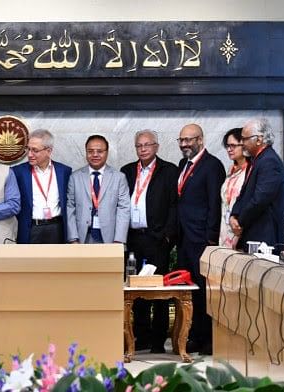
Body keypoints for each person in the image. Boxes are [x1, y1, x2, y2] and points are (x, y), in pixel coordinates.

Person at [121, 130, 178, 353]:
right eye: (139, 146)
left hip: (157, 239)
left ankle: (157, 341)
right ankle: (142, 337)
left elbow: (174, 205)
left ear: (156, 146)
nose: (143, 149)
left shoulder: (168, 170)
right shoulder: (127, 171)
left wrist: (167, 236)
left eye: (147, 145)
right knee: (136, 291)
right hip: (134, 238)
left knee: (159, 291)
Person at [176, 123, 225, 356]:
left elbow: (215, 205)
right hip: (185, 239)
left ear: (201, 140)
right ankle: (194, 335)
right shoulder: (182, 165)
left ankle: (209, 339)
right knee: (191, 291)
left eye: (189, 139)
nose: (185, 144)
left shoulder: (212, 165)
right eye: (182, 140)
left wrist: (211, 240)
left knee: (205, 291)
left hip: (203, 241)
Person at [230, 117, 284, 250]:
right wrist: (234, 215)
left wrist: (240, 222)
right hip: (253, 234)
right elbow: (243, 194)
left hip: (265, 237)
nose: (242, 143)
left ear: (259, 139)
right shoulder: (256, 160)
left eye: (244, 139)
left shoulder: (269, 161)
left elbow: (259, 200)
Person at [67, 135, 130, 244]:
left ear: (107, 152)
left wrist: (119, 240)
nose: (95, 155)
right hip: (82, 237)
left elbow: (124, 208)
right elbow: (70, 207)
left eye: (99, 151)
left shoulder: (119, 177)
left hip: (109, 237)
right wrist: (73, 238)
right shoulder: (75, 177)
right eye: (90, 151)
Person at [12, 129, 72, 244]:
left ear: (48, 151)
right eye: (28, 149)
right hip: (31, 228)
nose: (30, 154)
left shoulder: (64, 171)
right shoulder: (18, 172)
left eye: (35, 150)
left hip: (57, 227)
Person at [219, 128, 248, 249]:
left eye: (233, 145)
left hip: (241, 225)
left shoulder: (251, 170)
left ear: (244, 146)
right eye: (227, 146)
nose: (229, 149)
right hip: (226, 225)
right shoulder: (231, 169)